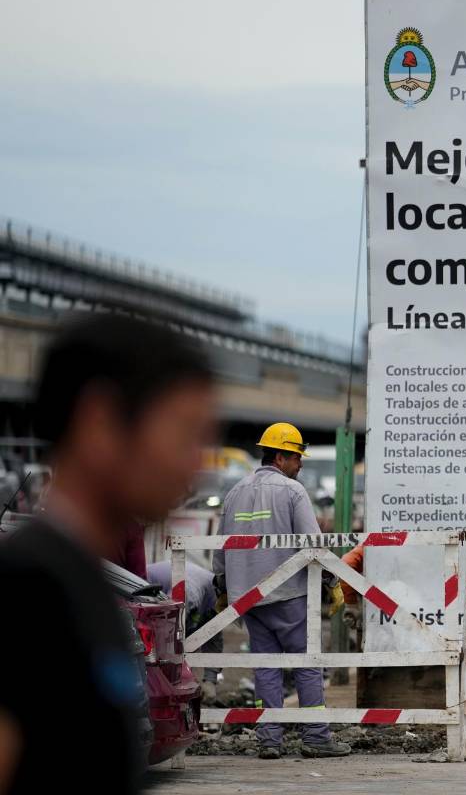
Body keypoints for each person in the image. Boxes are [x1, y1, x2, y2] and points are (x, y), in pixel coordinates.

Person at [0, 314, 216, 794]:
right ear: (99, 423)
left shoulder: (90, 586)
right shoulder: (26, 594)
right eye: (184, 434)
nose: (195, 464)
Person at [212, 423, 351, 760]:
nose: (300, 464)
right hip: (288, 595)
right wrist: (333, 583)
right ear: (279, 457)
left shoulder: (234, 493)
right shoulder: (292, 491)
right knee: (306, 664)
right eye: (296, 457)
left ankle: (269, 740)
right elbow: (313, 545)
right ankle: (315, 737)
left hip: (249, 599)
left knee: (266, 667)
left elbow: (220, 550)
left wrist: (223, 588)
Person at [145, 560, 223, 701]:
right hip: (141, 588)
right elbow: (167, 629)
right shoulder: (191, 592)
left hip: (169, 602)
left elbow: (213, 636)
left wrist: (210, 680)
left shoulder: (214, 597)